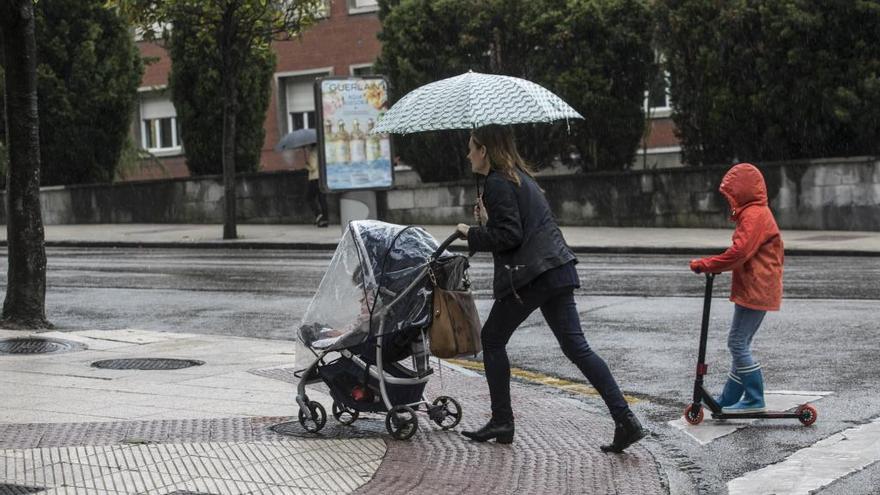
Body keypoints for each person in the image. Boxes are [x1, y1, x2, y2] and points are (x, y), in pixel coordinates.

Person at [455, 124, 645, 452]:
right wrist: (487, 222)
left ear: (484, 150)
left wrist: (471, 233)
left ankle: (502, 420)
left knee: (492, 338)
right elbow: (517, 227)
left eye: (472, 147)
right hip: (557, 268)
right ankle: (625, 420)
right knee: (576, 347)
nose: (468, 154)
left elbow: (510, 236)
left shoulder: (497, 182)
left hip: (533, 275)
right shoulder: (518, 177)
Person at [689, 162, 784, 414]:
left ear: (741, 192)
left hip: (757, 287)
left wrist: (707, 264)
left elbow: (740, 252)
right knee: (740, 342)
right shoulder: (754, 213)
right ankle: (729, 397)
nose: (729, 201)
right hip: (755, 287)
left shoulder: (754, 215)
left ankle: (754, 398)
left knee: (737, 342)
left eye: (731, 195)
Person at [302, 144, 329, 227]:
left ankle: (318, 214)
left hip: (314, 179)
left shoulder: (313, 153)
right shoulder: (321, 152)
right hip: (323, 178)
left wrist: (306, 165)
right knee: (322, 199)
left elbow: (313, 167)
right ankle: (325, 219)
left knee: (309, 198)